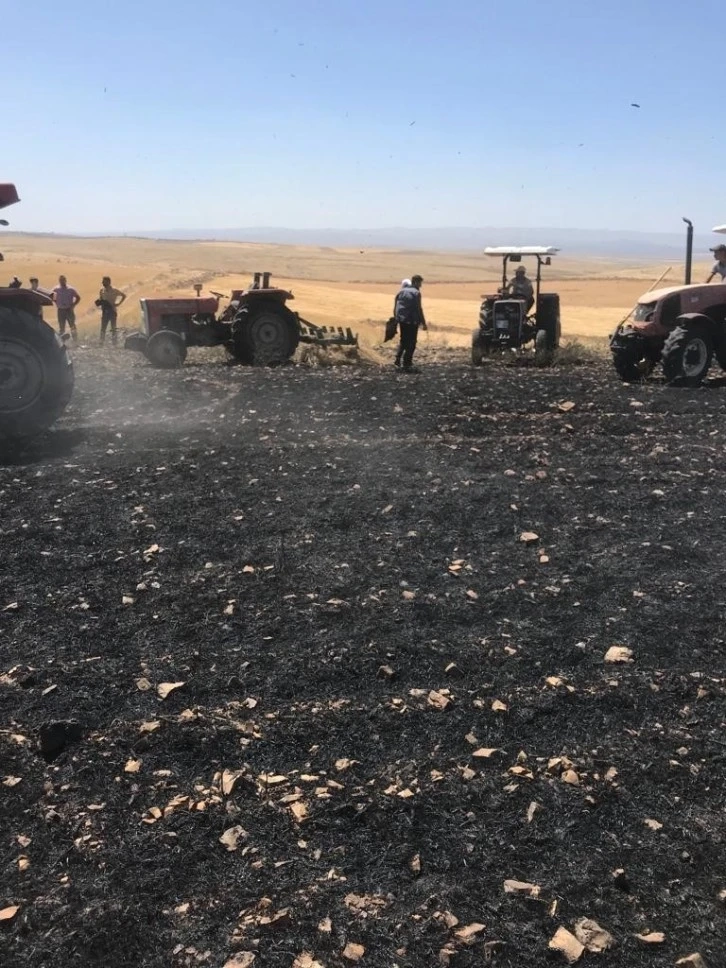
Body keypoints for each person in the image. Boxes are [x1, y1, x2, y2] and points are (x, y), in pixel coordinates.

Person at [394, 274, 427, 371]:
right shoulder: (416, 293)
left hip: (402, 320)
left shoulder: (401, 291)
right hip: (412, 321)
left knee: (403, 340)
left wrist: (397, 319)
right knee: (412, 342)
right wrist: (423, 323)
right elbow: (418, 309)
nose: (421, 285)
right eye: (420, 283)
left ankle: (397, 360)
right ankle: (407, 363)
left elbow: (396, 306)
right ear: (416, 282)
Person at [95, 275, 126, 345]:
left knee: (113, 328)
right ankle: (101, 342)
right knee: (103, 328)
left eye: (104, 282)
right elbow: (101, 299)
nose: (102, 283)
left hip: (112, 311)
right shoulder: (101, 291)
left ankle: (114, 343)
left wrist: (118, 303)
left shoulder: (114, 290)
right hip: (105, 311)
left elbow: (123, 295)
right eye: (102, 282)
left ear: (108, 282)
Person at [51, 275, 81, 342]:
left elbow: (78, 297)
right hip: (60, 310)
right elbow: (51, 296)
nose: (62, 281)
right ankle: (62, 342)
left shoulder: (70, 289)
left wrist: (73, 305)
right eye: (60, 280)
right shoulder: (56, 289)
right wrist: (56, 302)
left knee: (72, 325)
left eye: (63, 280)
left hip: (69, 310)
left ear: (65, 280)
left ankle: (75, 341)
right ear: (59, 281)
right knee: (61, 327)